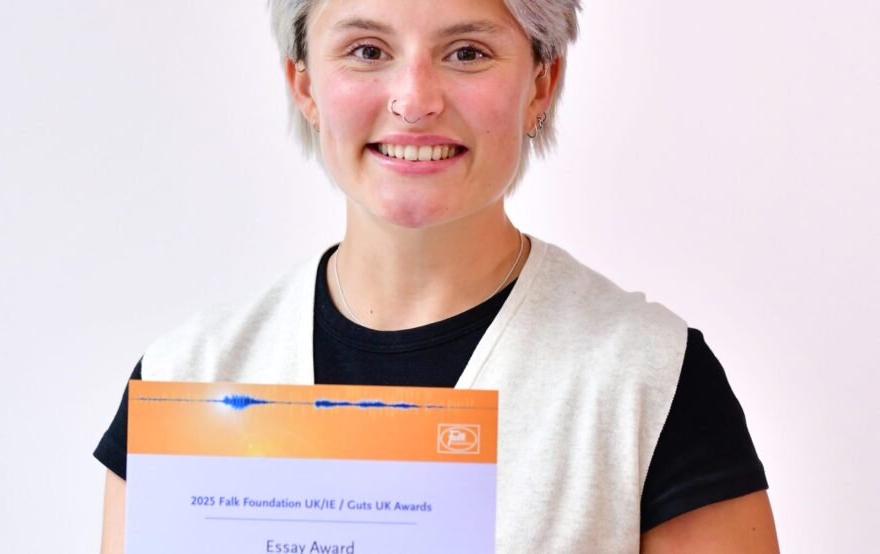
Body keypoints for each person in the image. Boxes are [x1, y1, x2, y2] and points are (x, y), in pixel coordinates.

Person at [96, 0, 779, 551]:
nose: (415, 99)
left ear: (540, 84)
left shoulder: (646, 379)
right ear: (304, 84)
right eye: (368, 50)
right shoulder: (185, 378)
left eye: (467, 53)